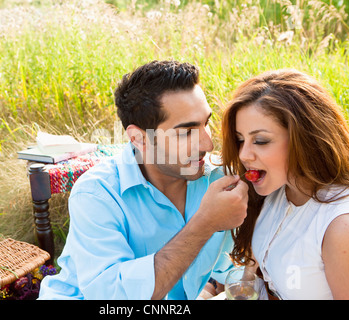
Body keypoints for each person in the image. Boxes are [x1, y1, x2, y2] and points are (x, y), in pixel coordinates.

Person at [38, 60, 249, 300]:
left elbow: (235, 266)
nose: (207, 144)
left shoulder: (217, 180)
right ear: (139, 138)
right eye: (185, 132)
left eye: (206, 123)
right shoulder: (96, 194)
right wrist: (205, 224)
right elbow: (115, 300)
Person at [220, 68, 349, 300]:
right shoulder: (276, 190)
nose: (244, 154)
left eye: (260, 141)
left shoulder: (346, 228)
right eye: (240, 140)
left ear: (305, 139)